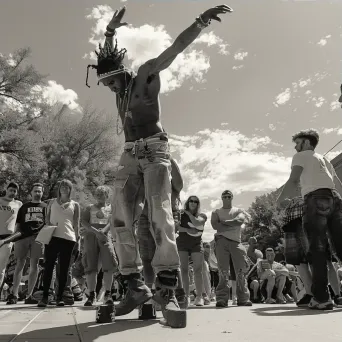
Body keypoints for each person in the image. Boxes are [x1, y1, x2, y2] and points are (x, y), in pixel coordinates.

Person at [86, 4, 233, 325]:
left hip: (155, 149)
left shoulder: (144, 74)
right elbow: (107, 58)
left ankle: (166, 286)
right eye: (106, 84)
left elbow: (174, 49)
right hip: (129, 152)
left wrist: (200, 22)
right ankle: (133, 285)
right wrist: (109, 32)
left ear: (123, 72)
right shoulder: (118, 91)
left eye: (113, 81)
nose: (111, 87)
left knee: (158, 210)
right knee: (120, 215)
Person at [276, 129, 342, 310]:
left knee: (317, 250)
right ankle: (331, 296)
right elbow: (336, 183)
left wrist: (280, 200)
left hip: (315, 199)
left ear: (306, 143)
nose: (295, 147)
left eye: (297, 143)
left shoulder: (300, 156)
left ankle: (322, 299)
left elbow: (293, 180)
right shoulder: (324, 159)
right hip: (335, 199)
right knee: (339, 247)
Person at [38, 179, 80, 307]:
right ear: (59, 188)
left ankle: (60, 297)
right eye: (62, 186)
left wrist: (78, 240)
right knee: (48, 267)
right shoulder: (51, 202)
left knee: (64, 269)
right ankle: (45, 297)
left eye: (67, 187)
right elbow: (47, 219)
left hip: (68, 238)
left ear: (70, 189)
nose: (64, 188)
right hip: (53, 237)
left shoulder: (75, 204)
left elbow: (76, 224)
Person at [6, 183, 47, 305]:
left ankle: (30, 295)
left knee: (34, 266)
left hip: (37, 238)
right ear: (31, 192)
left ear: (42, 193)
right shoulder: (24, 207)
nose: (37, 193)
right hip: (22, 238)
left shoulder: (45, 206)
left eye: (39, 191)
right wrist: (15, 238)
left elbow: (47, 223)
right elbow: (18, 224)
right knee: (20, 264)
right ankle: (14, 294)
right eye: (35, 191)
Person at [211, 190, 252, 308]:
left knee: (240, 271)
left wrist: (223, 222)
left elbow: (239, 221)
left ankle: (243, 298)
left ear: (232, 197)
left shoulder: (239, 211)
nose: (227, 198)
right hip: (221, 242)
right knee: (223, 271)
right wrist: (232, 223)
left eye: (229, 196)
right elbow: (215, 225)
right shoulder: (216, 211)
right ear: (221, 198)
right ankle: (222, 299)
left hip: (236, 243)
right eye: (224, 196)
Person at [81, 185, 118, 306]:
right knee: (91, 266)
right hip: (91, 238)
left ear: (107, 196)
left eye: (102, 194)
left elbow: (112, 222)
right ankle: (91, 294)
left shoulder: (111, 208)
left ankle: (107, 294)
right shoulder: (89, 208)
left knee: (109, 265)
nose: (99, 196)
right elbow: (84, 222)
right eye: (97, 194)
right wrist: (96, 232)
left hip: (105, 238)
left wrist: (104, 231)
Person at [176, 196, 208, 307]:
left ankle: (199, 297)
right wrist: (187, 229)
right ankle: (186, 296)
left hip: (196, 244)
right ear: (187, 202)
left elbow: (198, 223)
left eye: (196, 201)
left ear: (198, 204)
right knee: (183, 270)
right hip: (182, 243)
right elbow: (175, 227)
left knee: (198, 270)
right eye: (191, 201)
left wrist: (189, 214)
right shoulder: (180, 214)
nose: (193, 203)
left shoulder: (202, 215)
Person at [0, 182, 22, 290]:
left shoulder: (18, 204)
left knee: (1, 268)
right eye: (11, 190)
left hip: (8, 239)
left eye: (15, 191)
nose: (12, 192)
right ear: (6, 189)